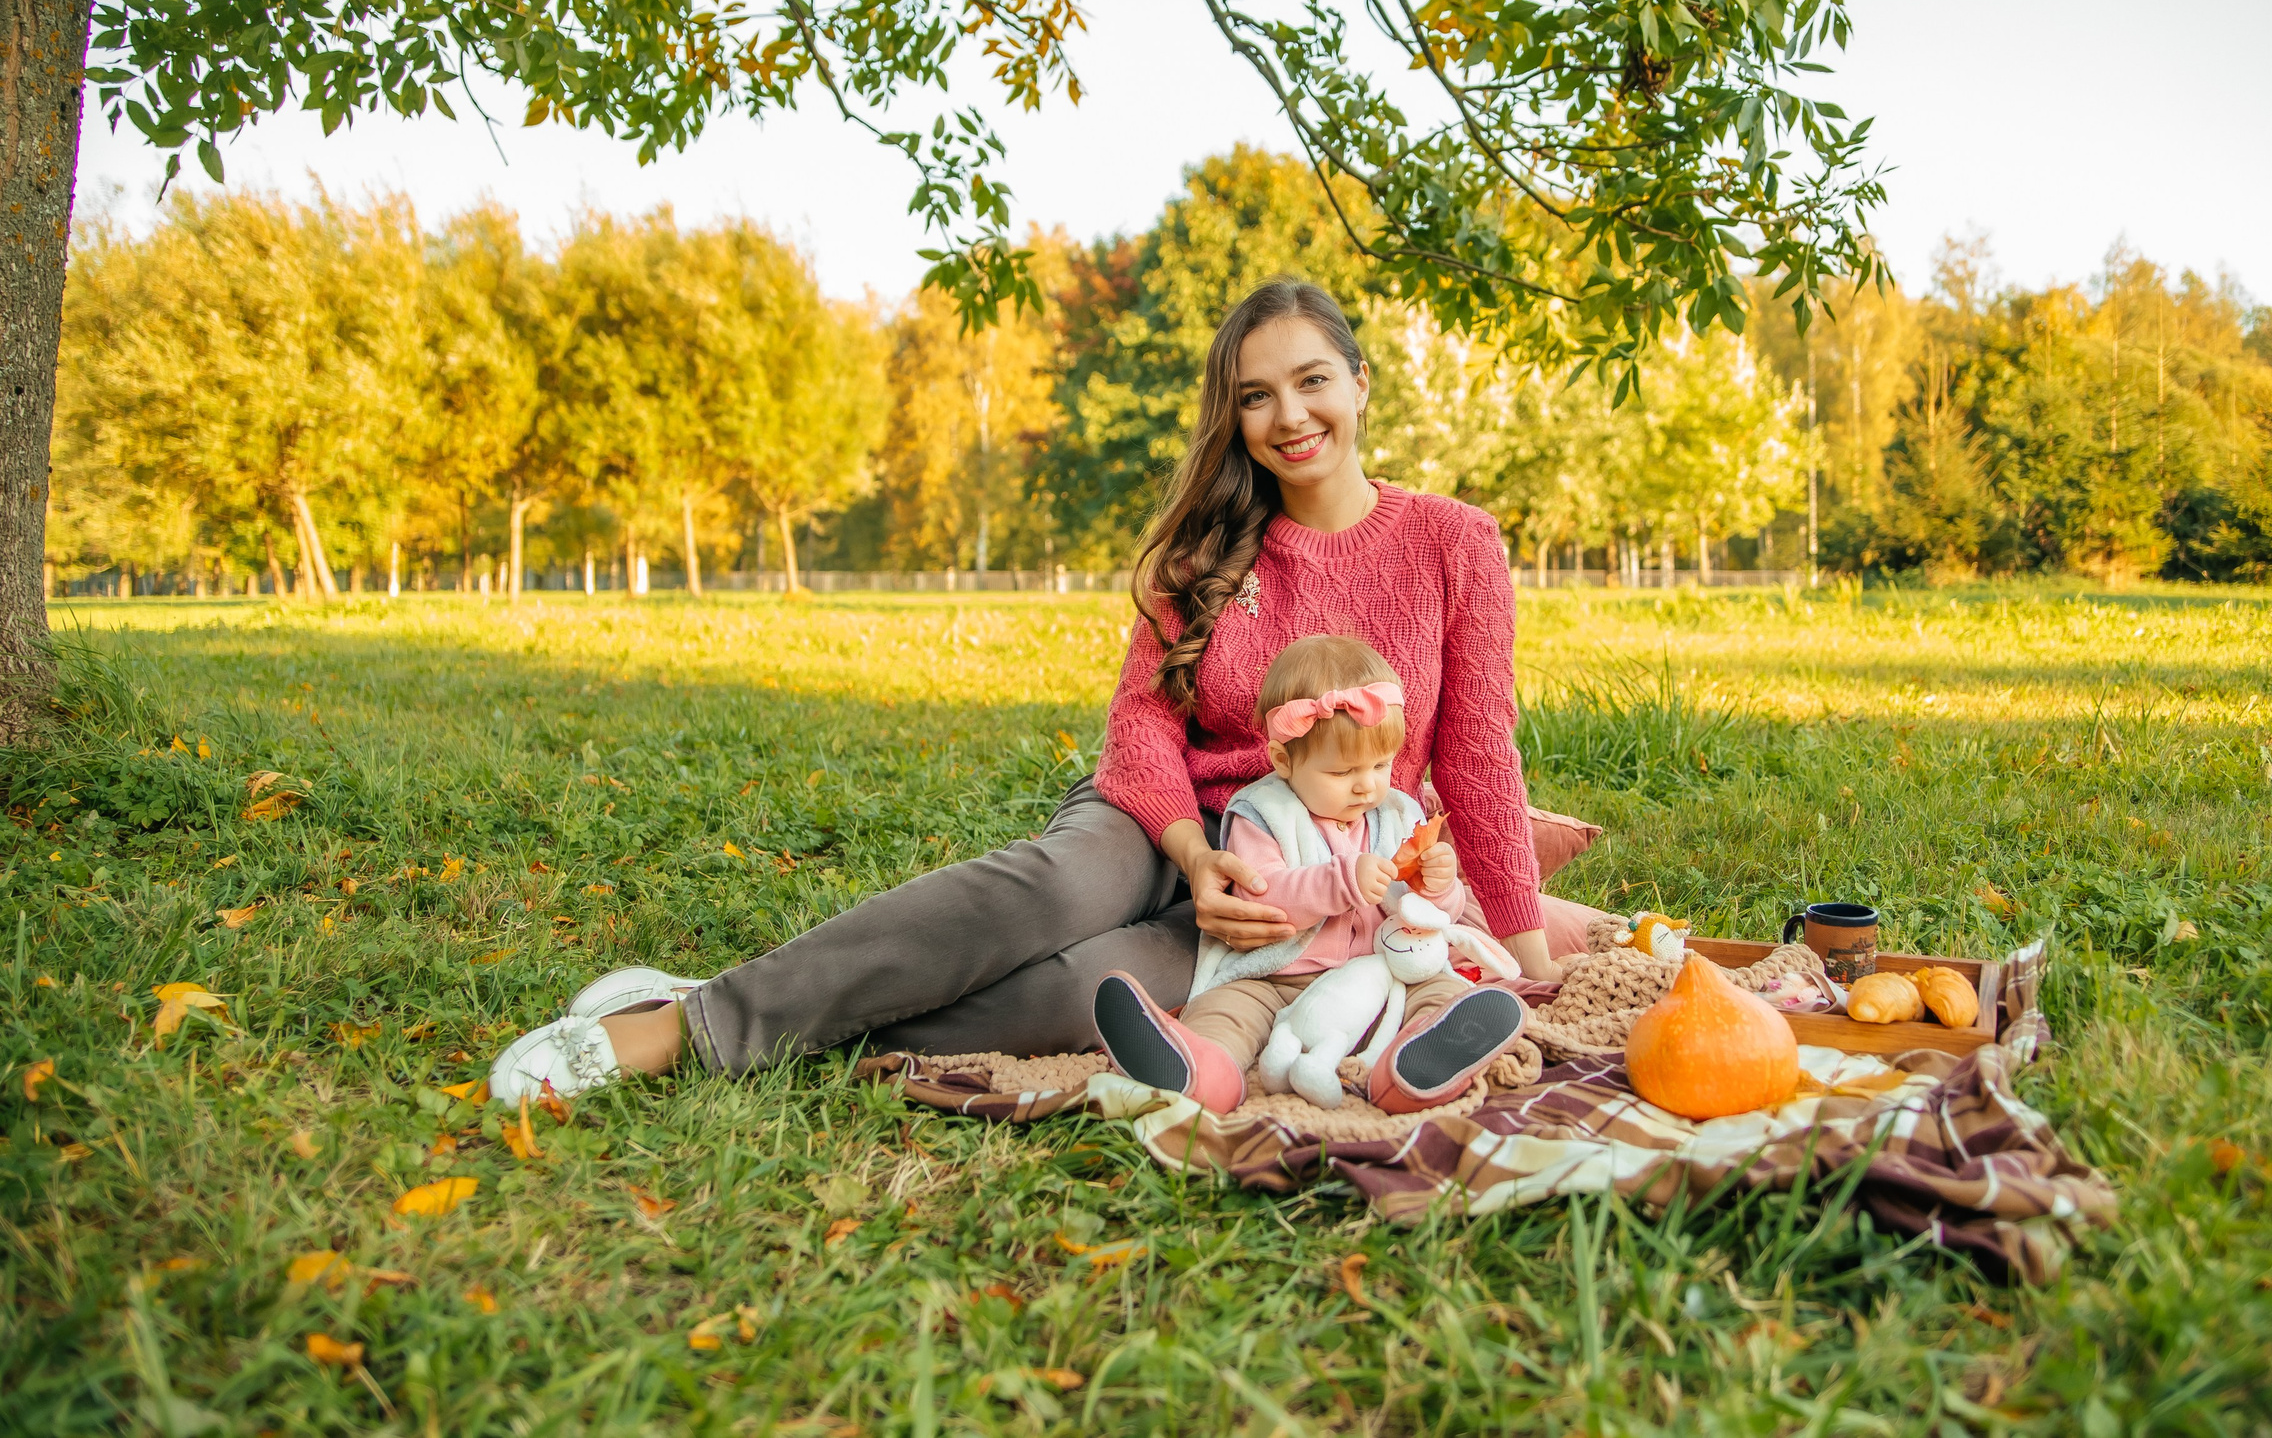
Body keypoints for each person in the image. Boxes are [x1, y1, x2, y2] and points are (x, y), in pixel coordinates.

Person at [489, 276, 1586, 1104]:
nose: (1289, 415)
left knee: (1081, 996)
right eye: (1255, 396)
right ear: (1234, 416)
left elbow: (1479, 753)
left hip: (1305, 869)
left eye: (1310, 381)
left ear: (1358, 381)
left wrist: (1528, 957)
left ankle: (789, 1013)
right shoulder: (1208, 550)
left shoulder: (1454, 542)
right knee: (1051, 896)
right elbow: (1139, 725)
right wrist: (1193, 855)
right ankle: (688, 1030)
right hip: (1163, 820)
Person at [1089, 633, 1528, 1115]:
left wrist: (1438, 889)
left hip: (1383, 974)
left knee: (1437, 990)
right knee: (1227, 1010)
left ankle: (1413, 1070)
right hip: (1278, 973)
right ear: (1284, 762)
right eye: (1342, 773)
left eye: (1381, 764)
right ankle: (1200, 1071)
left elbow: (1425, 915)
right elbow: (1260, 894)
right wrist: (1339, 881)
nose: (1366, 785)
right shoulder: (1263, 814)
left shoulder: (1400, 814)